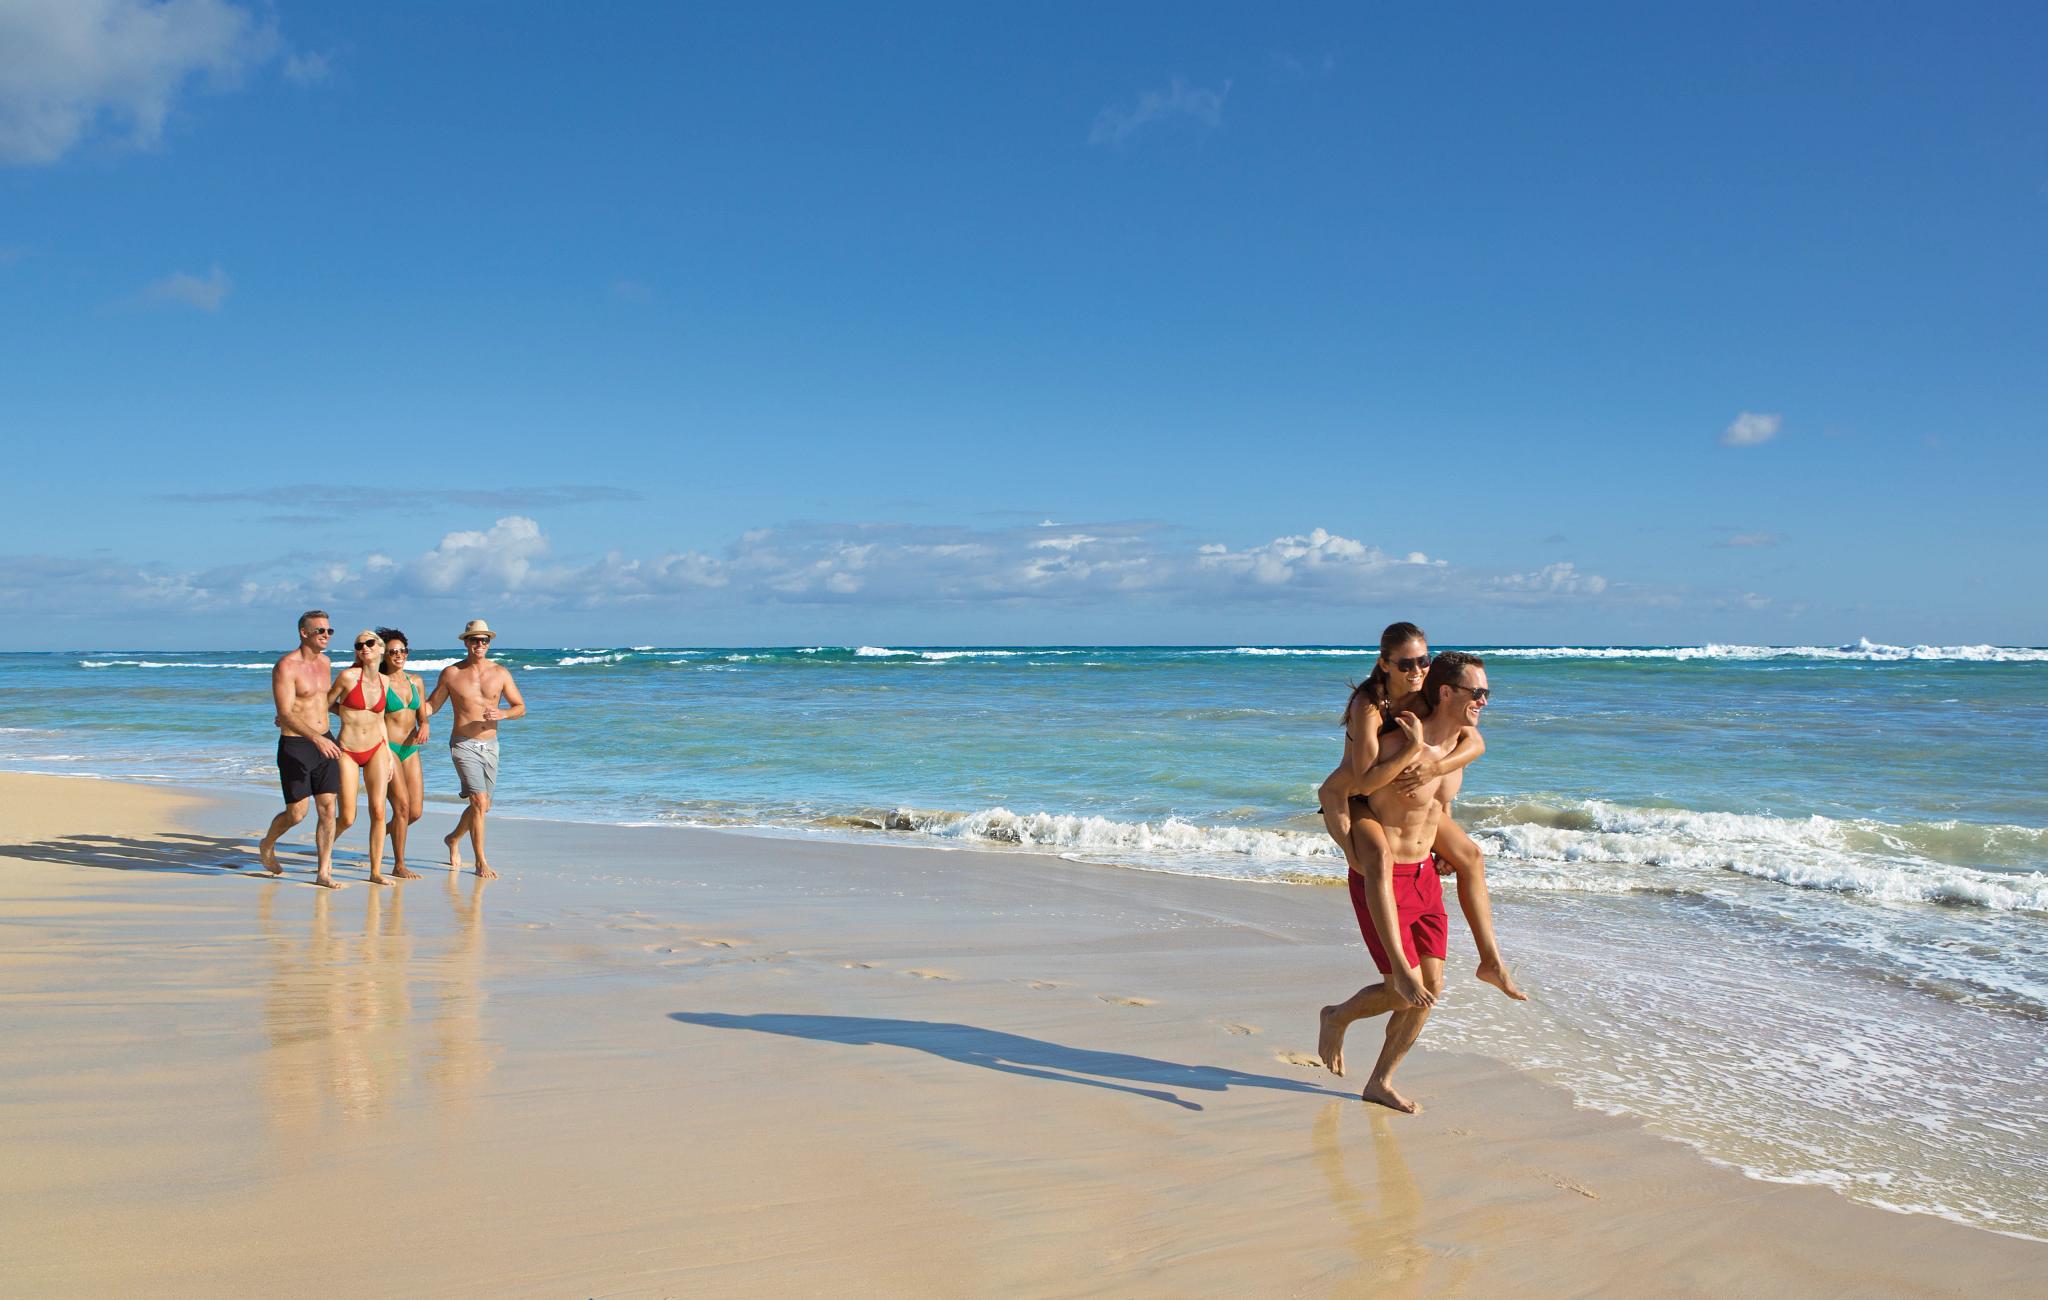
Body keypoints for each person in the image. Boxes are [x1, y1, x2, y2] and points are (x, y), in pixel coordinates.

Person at [1317, 652, 1491, 1113]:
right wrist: (1348, 843)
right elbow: (1339, 788)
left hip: (1423, 873)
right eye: (1478, 694)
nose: (1417, 670)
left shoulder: (1456, 744)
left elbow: (1450, 782)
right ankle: (1336, 1017)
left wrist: (1442, 842)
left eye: (1424, 661)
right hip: (1382, 867)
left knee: (1428, 991)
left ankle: (1380, 1081)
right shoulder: (1380, 721)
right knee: (1402, 987)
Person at [1316, 623, 1523, 1009]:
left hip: (1400, 789)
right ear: (1384, 664)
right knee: (1373, 859)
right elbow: (1360, 780)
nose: (1417, 671)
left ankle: (1491, 961)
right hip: (1355, 794)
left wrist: (1435, 771)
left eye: (1423, 661)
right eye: (1406, 664)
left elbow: (1474, 741)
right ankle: (1397, 966)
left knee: (1471, 856)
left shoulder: (1427, 698)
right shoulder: (1369, 705)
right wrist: (1412, 749)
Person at [427, 619, 525, 879]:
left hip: (490, 745)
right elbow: (431, 706)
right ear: (465, 642)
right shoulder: (452, 673)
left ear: (489, 643)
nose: (479, 644)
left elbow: (520, 706)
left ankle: (453, 838)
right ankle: (480, 862)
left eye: (484, 640)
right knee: (478, 802)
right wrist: (406, 713)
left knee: (483, 806)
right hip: (462, 743)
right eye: (474, 639)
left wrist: (504, 714)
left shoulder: (500, 673)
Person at [257, 610, 343, 887]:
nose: (326, 636)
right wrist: (316, 738)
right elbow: (286, 712)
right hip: (296, 744)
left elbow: (323, 702)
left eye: (329, 631)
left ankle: (324, 872)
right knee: (297, 813)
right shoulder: (286, 666)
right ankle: (267, 844)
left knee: (328, 808)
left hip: (326, 741)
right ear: (304, 633)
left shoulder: (327, 662)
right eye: (321, 631)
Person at [327, 629, 401, 885]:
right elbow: (324, 703)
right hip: (347, 749)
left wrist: (389, 755)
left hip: (377, 748)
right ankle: (323, 855)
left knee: (379, 811)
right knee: (347, 817)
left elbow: (380, 718)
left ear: (381, 649)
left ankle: (376, 871)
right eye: (359, 646)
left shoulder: (385, 681)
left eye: (370, 643)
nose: (364, 648)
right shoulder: (348, 677)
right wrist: (344, 714)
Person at [377, 627, 430, 881]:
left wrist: (426, 726)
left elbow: (422, 715)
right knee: (402, 808)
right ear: (384, 655)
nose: (399, 655)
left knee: (415, 812)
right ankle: (399, 864)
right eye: (393, 652)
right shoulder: (378, 682)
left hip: (411, 748)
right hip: (388, 750)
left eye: (402, 650)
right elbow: (350, 708)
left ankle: (379, 835)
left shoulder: (416, 680)